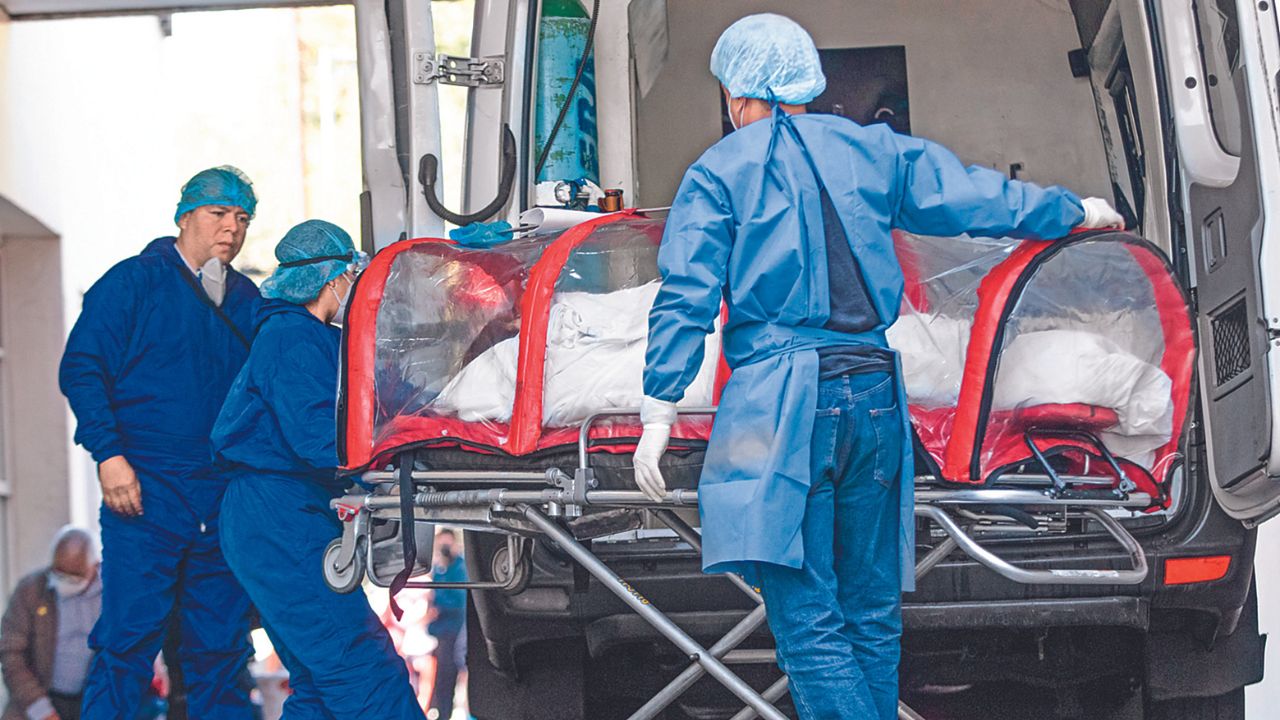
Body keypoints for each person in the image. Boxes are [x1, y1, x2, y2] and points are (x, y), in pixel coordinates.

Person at [632, 14, 1125, 720]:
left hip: (778, 405)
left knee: (807, 619)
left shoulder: (718, 173)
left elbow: (688, 293)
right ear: (803, 84)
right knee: (869, 611)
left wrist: (659, 405)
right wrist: (1070, 210)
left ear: (740, 94)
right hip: (873, 397)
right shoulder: (875, 151)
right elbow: (975, 197)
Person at [58, 166, 262, 719]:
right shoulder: (132, 283)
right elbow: (82, 368)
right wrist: (109, 456)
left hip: (218, 495)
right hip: (144, 488)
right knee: (127, 641)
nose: (232, 228)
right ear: (185, 216)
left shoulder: (246, 300)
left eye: (242, 218)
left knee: (221, 647)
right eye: (219, 213)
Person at [213, 219, 425, 720]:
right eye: (354, 273)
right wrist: (398, 444)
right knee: (363, 668)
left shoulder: (309, 338)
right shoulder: (290, 336)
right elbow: (316, 438)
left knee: (317, 683)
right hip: (277, 515)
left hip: (277, 514)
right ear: (334, 279)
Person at [0, 527, 102, 720]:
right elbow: (11, 652)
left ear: (95, 567)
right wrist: (41, 711)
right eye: (59, 572)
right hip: (37, 700)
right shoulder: (30, 590)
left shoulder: (111, 597)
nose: (65, 581)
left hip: (92, 701)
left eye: (75, 576)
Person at [426, 529, 467, 720]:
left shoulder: (460, 568)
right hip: (440, 630)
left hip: (454, 629)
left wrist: (439, 604)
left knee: (448, 674)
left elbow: (459, 600)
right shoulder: (438, 569)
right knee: (439, 677)